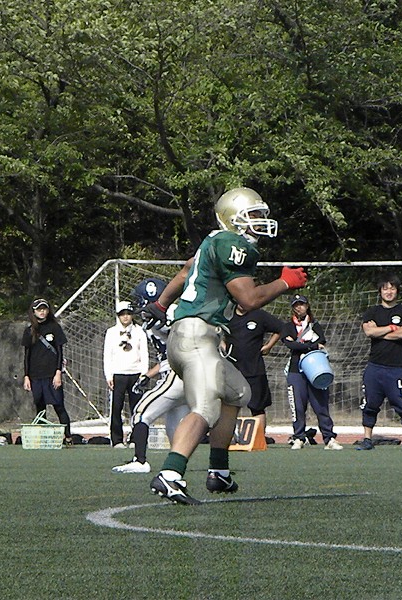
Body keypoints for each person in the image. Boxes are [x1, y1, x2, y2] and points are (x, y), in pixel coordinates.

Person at [141, 186, 307, 504]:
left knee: (237, 393)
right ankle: (170, 475)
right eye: (253, 215)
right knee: (205, 408)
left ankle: (219, 471)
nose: (260, 221)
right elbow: (248, 299)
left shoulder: (212, 242)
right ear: (233, 218)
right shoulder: (232, 243)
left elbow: (187, 269)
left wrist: (161, 304)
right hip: (197, 336)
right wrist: (285, 282)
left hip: (190, 337)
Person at [112, 278, 189, 474]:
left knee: (140, 413)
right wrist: (147, 375)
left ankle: (140, 460)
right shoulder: (155, 321)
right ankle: (176, 469)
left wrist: (163, 320)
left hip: (178, 374)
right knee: (174, 428)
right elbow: (166, 355)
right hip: (182, 374)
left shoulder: (172, 313)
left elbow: (179, 334)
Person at [357, 275, 402, 451]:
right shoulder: (372, 312)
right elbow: (369, 332)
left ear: (397, 291)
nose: (389, 292)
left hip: (398, 367)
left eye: (392, 288)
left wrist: (379, 331)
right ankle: (367, 439)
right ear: (380, 292)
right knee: (370, 403)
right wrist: (390, 328)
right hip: (375, 366)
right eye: (385, 288)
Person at [281, 294, 342, 450]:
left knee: (321, 405)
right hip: (296, 370)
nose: (299, 308)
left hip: (316, 368)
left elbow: (321, 341)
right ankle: (299, 437)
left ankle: (329, 438)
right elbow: (290, 345)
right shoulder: (287, 326)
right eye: (296, 305)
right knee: (298, 406)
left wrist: (301, 344)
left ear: (307, 306)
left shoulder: (315, 325)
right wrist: (310, 345)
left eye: (301, 304)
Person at [222, 304, 283, 444]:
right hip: (232, 370)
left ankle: (259, 438)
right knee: (229, 406)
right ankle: (227, 437)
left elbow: (281, 328)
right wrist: (222, 343)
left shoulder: (259, 315)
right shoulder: (227, 315)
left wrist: (269, 346)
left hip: (254, 370)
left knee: (257, 407)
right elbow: (215, 329)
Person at [22, 298, 72, 442]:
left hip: (52, 374)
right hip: (35, 375)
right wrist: (26, 376)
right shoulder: (29, 330)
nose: (42, 312)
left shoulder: (55, 327)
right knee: (40, 407)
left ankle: (68, 437)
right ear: (34, 312)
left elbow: (60, 351)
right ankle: (42, 437)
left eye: (44, 309)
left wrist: (58, 372)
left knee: (58, 406)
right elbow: (27, 355)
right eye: (39, 309)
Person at [103, 300, 149, 448]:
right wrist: (109, 375)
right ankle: (116, 440)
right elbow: (107, 355)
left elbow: (144, 353)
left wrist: (144, 374)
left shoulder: (139, 331)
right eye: (122, 314)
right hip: (118, 373)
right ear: (118, 316)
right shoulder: (111, 332)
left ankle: (136, 438)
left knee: (137, 408)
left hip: (136, 373)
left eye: (128, 314)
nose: (125, 317)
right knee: (116, 407)